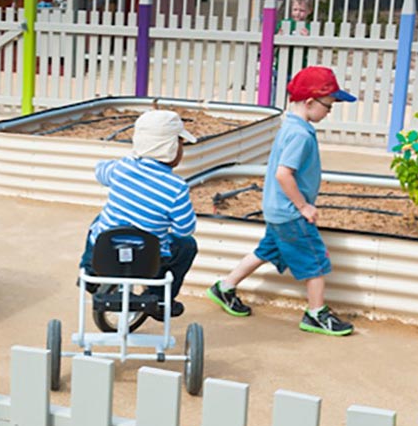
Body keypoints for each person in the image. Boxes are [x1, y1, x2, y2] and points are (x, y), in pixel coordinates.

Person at [206, 66, 357, 336]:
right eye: (328, 106)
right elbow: (283, 174)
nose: (329, 112)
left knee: (265, 251)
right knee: (316, 261)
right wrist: (304, 206)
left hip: (277, 210)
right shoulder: (300, 134)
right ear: (310, 102)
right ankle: (316, 314)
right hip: (291, 213)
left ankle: (225, 287)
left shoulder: (290, 125)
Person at [80, 109, 198, 319]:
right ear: (171, 148)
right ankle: (161, 298)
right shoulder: (176, 188)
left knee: (101, 222)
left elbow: (100, 171)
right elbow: (185, 229)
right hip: (149, 259)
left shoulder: (122, 168)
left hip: (107, 253)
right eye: (181, 143)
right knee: (187, 246)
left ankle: (89, 271)